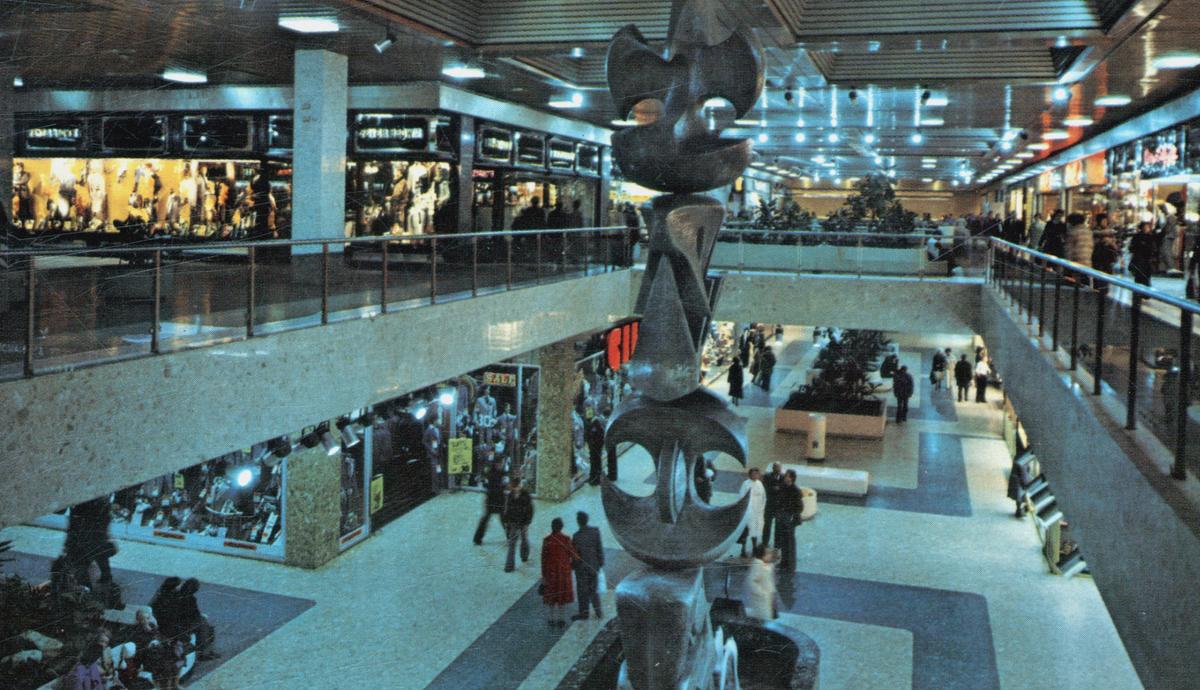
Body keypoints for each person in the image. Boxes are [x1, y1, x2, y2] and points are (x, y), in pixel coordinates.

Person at [540, 517, 578, 627]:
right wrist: (569, 567)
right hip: (563, 572)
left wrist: (544, 576)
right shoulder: (566, 539)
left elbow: (543, 560)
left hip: (550, 573)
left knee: (552, 595)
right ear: (561, 527)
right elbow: (575, 556)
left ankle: (551, 618)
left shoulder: (547, 540)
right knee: (562, 595)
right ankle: (561, 618)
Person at [571, 511, 605, 621]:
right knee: (594, 590)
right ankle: (598, 612)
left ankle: (584, 614)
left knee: (582, 592)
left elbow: (575, 555)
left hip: (581, 569)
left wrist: (572, 567)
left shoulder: (576, 537)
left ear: (578, 522)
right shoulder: (595, 532)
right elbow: (599, 549)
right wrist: (600, 563)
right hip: (594, 566)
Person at [501, 479, 533, 572]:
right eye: (516, 487)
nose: (517, 489)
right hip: (513, 521)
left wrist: (527, 522)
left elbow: (530, 510)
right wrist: (506, 520)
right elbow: (507, 509)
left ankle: (524, 556)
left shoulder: (526, 495)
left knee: (524, 539)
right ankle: (509, 566)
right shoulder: (510, 495)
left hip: (523, 521)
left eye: (518, 486)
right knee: (512, 543)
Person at [775, 470, 804, 573]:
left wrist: (793, 516)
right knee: (783, 541)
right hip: (782, 517)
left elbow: (800, 507)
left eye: (787, 476)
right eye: (785, 476)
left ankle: (790, 565)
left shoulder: (796, 490)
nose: (785, 478)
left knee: (790, 542)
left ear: (792, 478)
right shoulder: (783, 487)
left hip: (790, 519)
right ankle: (783, 562)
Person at [473, 460, 506, 545]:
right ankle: (510, 535)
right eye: (499, 463)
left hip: (493, 499)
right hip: (496, 499)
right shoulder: (495, 474)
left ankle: (477, 538)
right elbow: (495, 486)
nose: (500, 465)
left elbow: (487, 485)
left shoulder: (494, 473)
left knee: (491, 518)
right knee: (502, 518)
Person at [738, 468, 767, 558]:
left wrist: (762, 508)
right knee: (746, 531)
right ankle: (743, 550)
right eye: (754, 474)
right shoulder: (746, 484)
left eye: (757, 474)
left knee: (756, 530)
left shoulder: (760, 484)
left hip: (757, 511)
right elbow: (741, 497)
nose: (755, 476)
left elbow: (763, 497)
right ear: (750, 475)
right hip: (748, 511)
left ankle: (755, 548)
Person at [744, 544, 777, 622]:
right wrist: (761, 592)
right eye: (768, 553)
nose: (770, 555)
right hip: (760, 599)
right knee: (762, 619)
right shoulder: (758, 564)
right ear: (762, 555)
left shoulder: (769, 565)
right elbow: (751, 580)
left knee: (767, 618)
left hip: (768, 598)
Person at [761, 463, 784, 548]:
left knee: (778, 526)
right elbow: (764, 487)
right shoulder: (767, 476)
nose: (778, 469)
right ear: (773, 468)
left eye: (779, 468)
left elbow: (784, 488)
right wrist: (772, 489)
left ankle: (777, 544)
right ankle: (765, 542)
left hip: (779, 506)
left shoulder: (783, 477)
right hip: (770, 505)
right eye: (776, 467)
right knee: (767, 525)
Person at [1129, 220, 1157, 287]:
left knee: (1144, 277)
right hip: (1139, 260)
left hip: (1146, 261)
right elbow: (1132, 248)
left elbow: (1153, 249)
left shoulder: (1150, 237)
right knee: (1140, 277)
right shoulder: (1138, 236)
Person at [585, 414, 606, 485]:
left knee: (596, 463)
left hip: (596, 447)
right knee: (594, 462)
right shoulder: (591, 424)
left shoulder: (596, 423)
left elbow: (600, 436)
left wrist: (594, 444)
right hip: (594, 447)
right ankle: (594, 478)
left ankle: (596, 479)